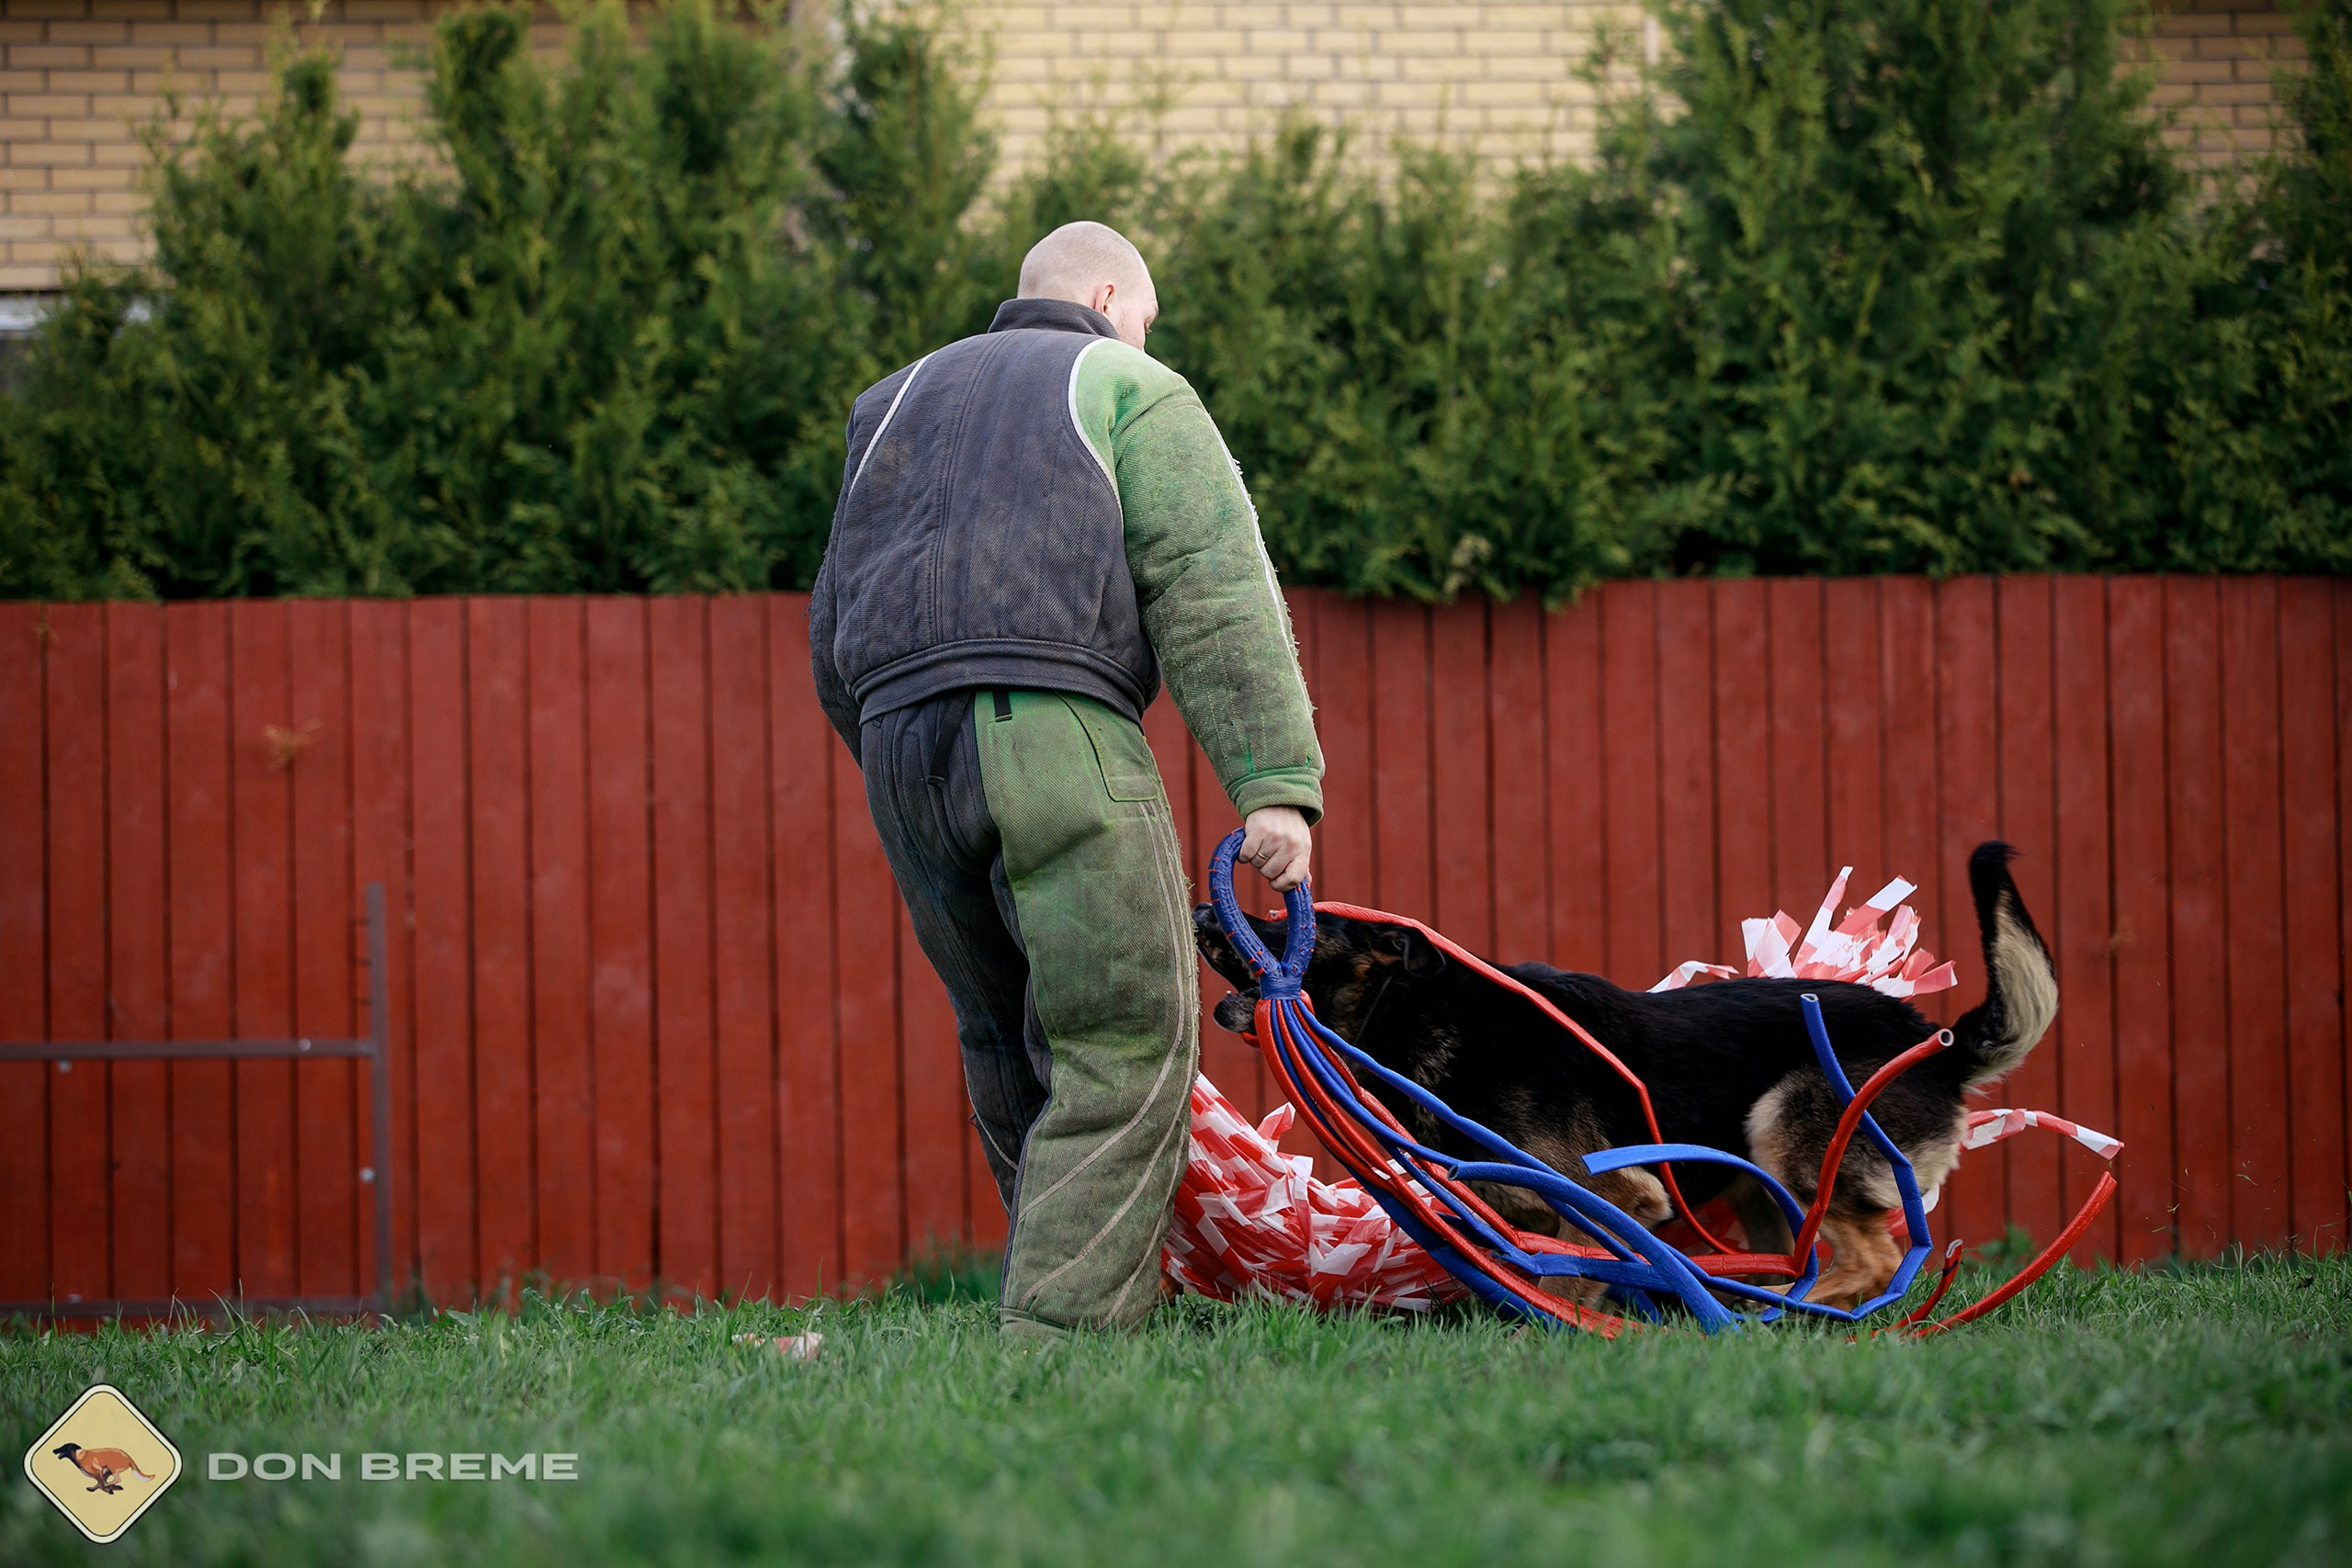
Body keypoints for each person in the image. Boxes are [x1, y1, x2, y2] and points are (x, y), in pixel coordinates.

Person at [809, 220, 1323, 1338]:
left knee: (1007, 1038)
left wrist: (891, 749)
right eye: (1146, 314)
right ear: (1106, 296)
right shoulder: (1122, 377)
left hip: (898, 745)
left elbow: (833, 613)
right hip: (1051, 727)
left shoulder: (888, 402)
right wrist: (1274, 782)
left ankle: (1050, 1290)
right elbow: (1211, 579)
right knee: (1123, 1036)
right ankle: (1061, 1339)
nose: (1148, 334)